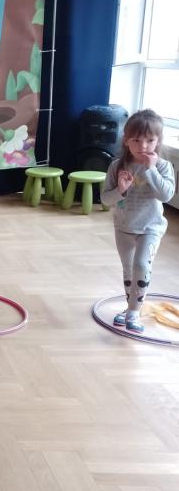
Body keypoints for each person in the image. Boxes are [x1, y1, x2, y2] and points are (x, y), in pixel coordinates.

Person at [101, 109, 175, 334]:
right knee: (128, 270)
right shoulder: (116, 166)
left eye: (150, 140)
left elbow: (166, 195)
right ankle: (129, 307)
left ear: (158, 141)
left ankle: (134, 312)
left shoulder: (162, 166)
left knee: (141, 266)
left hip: (150, 227)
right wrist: (120, 190)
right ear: (126, 140)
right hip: (124, 226)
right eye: (136, 140)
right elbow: (105, 200)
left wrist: (150, 170)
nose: (143, 146)